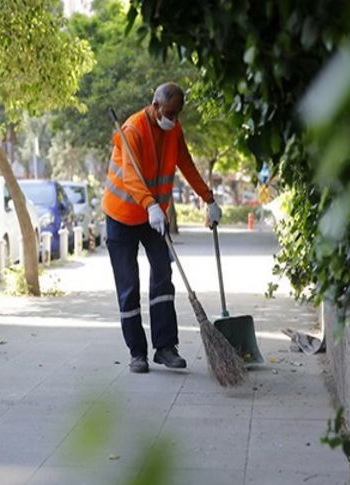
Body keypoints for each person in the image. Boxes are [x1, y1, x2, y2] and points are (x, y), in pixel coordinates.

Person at [102, 82, 222, 374]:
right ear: (155, 106)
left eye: (177, 114)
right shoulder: (132, 130)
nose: (173, 119)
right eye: (169, 113)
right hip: (121, 217)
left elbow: (187, 165)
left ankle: (165, 348)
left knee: (164, 277)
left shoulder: (174, 131)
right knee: (129, 286)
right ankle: (137, 353)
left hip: (153, 216)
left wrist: (209, 198)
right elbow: (131, 177)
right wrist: (150, 205)